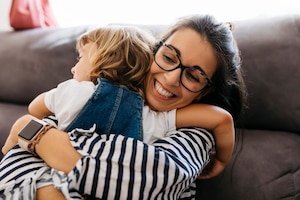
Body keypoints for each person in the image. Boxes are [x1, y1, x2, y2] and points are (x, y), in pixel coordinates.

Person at [0, 14, 247, 199]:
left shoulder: (196, 133)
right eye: (169, 58)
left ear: (206, 91)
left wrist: (35, 135)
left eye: (193, 76)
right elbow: (13, 166)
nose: (171, 78)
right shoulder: (89, 94)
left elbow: (149, 181)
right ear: (153, 51)